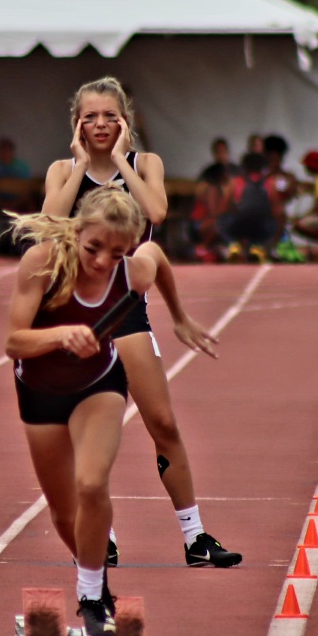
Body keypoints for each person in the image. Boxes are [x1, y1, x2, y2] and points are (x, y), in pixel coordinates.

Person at [42, 76, 240, 569]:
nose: (100, 124)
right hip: (78, 313)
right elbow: (48, 226)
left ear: (125, 121)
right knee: (90, 434)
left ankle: (195, 538)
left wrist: (123, 162)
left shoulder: (146, 164)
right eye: (90, 117)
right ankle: (101, 536)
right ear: (76, 125)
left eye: (110, 116)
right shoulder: (62, 170)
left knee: (164, 423)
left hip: (128, 310)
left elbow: (156, 211)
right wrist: (82, 166)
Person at [5, 186, 177, 636]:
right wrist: (60, 335)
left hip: (98, 385)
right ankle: (97, 584)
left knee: (91, 483)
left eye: (116, 253)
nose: (103, 261)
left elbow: (157, 259)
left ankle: (91, 600)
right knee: (65, 514)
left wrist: (180, 317)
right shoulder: (42, 263)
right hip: (39, 392)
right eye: (93, 248)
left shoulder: (134, 271)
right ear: (77, 231)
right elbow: (13, 341)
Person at [0, 138, 35, 255]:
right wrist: (1, 206)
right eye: (1, 151)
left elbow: (27, 192)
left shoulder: (22, 168)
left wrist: (14, 205)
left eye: (7, 150)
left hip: (19, 207)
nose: (4, 153)